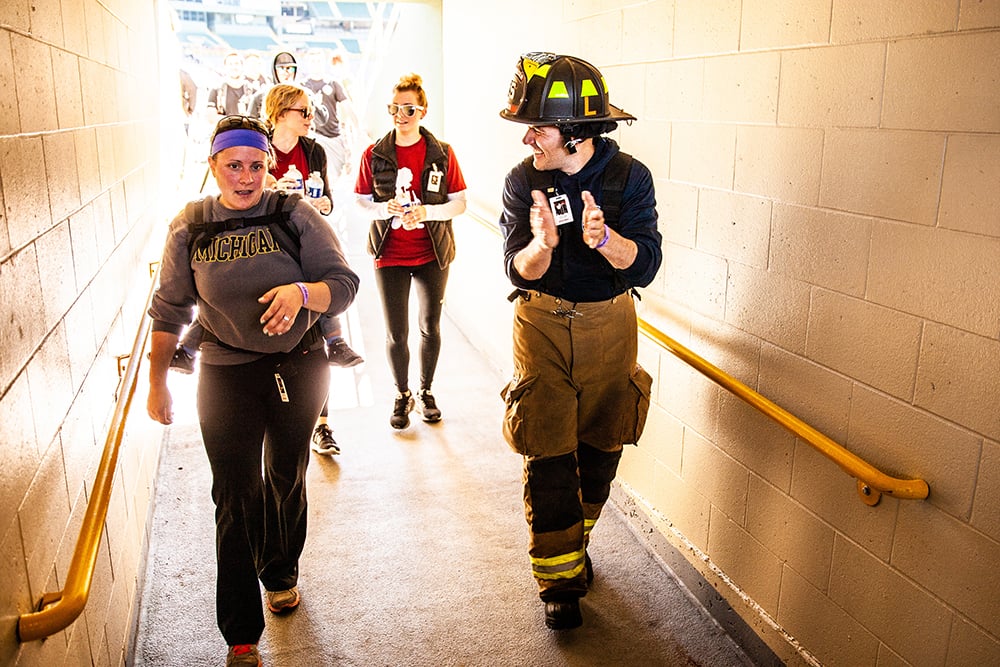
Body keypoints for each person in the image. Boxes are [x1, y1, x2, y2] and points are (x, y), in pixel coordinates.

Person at [146, 114, 359, 667]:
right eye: (233, 165)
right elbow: (169, 309)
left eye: (257, 166)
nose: (246, 177)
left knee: (285, 474)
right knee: (234, 494)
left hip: (300, 364)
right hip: (225, 370)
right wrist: (157, 382)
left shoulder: (294, 214)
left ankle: (281, 568)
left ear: (270, 164)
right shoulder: (190, 226)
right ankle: (241, 631)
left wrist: (300, 292)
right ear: (213, 165)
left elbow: (343, 284)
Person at [497, 52, 662, 631]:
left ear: (575, 130)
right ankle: (559, 582)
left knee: (600, 449)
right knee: (546, 449)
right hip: (540, 323)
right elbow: (517, 269)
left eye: (537, 127)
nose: (527, 138)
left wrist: (607, 242)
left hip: (610, 323)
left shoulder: (629, 178)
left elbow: (645, 266)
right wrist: (542, 244)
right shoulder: (523, 180)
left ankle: (574, 539)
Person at [355, 73, 467, 429]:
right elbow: (360, 199)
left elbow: (459, 203)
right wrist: (382, 208)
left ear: (422, 111)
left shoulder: (442, 153)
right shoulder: (374, 153)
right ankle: (402, 395)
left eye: (408, 108)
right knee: (395, 332)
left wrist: (428, 212)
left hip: (433, 252)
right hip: (389, 253)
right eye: (394, 108)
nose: (400, 115)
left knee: (430, 327)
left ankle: (426, 391)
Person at [266, 82, 364, 454]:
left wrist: (319, 206)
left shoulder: (314, 151)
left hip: (306, 246)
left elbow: (328, 202)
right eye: (303, 112)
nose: (311, 118)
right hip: (272, 254)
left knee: (315, 343)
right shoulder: (260, 149)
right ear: (279, 115)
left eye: (311, 112)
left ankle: (323, 425)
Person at [300, 49, 360, 181]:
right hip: (313, 135)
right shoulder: (302, 86)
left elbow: (347, 107)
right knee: (314, 175)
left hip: (334, 136)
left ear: (323, 62)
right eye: (312, 61)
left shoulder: (334, 83)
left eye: (318, 61)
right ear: (307, 63)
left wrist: (359, 129)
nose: (315, 64)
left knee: (334, 177)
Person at [247, 51, 298, 119]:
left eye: (290, 68)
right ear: (274, 70)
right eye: (281, 68)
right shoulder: (260, 97)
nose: (286, 72)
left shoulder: (305, 96)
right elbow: (249, 126)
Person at [207, 52, 249, 118]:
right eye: (230, 64)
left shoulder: (252, 91)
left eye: (236, 63)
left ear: (242, 66)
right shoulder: (216, 91)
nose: (234, 67)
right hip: (224, 128)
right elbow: (211, 117)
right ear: (225, 67)